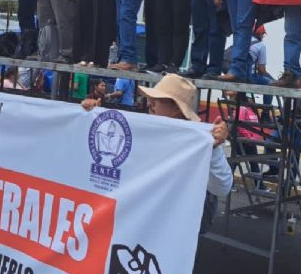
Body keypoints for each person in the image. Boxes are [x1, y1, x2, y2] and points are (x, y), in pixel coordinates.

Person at [82, 74, 232, 232]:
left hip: (178, 225)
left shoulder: (199, 140)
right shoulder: (144, 130)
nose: (149, 103)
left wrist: (213, 149)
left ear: (176, 108)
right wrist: (91, 115)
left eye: (157, 99)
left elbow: (222, 187)